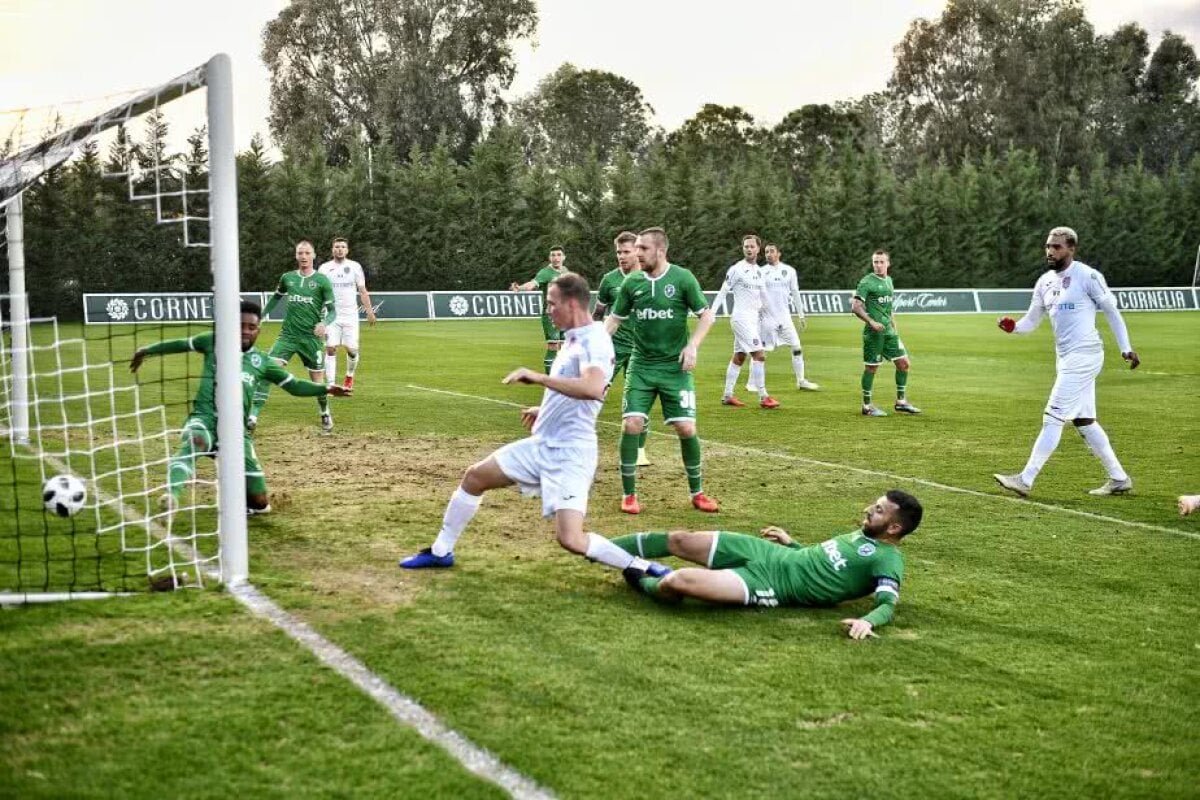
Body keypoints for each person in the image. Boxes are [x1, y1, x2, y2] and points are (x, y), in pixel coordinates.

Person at [399, 273, 655, 576]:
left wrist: (538, 377)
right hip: (542, 444)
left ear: (572, 303)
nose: (548, 310)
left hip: (571, 453)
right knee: (475, 477)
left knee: (571, 538)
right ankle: (441, 551)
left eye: (552, 303)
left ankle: (641, 566)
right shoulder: (574, 336)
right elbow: (577, 388)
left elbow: (593, 388)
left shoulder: (594, 340)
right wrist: (545, 408)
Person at [130, 300, 351, 513]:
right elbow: (179, 344)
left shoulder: (262, 362)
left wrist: (327, 389)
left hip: (237, 431)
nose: (245, 331)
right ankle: (172, 494)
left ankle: (235, 489)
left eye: (251, 327)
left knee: (259, 502)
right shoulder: (212, 342)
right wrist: (146, 351)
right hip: (205, 418)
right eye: (240, 326)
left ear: (258, 331)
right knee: (195, 442)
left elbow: (294, 386)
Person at [614, 490, 923, 640]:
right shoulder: (865, 532)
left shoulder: (887, 559)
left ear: (894, 528)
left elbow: (887, 602)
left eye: (878, 510)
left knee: (677, 582)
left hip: (773, 584)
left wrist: (868, 621)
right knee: (680, 539)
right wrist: (792, 544)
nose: (869, 510)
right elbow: (826, 561)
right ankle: (603, 548)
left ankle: (647, 575)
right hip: (769, 553)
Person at [994, 226, 1140, 497]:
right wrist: (1013, 327)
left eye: (1057, 247)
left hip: (1086, 355)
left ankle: (1025, 480)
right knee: (1084, 420)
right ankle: (1119, 478)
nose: (1050, 251)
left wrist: (1126, 348)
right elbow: (1031, 321)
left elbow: (1111, 311)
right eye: (1048, 246)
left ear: (1071, 249)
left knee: (1053, 416)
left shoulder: (1088, 276)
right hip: (1065, 359)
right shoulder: (1044, 282)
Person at [605, 227, 720, 515]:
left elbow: (707, 315)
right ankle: (629, 495)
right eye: (636, 248)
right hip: (641, 366)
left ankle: (698, 492)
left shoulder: (682, 278)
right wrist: (596, 349)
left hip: (675, 369)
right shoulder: (632, 283)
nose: (637, 254)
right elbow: (614, 320)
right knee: (631, 423)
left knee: (686, 428)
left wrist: (692, 345)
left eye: (643, 248)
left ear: (660, 250)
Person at [249, 240, 337, 432]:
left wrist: (324, 323)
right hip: (287, 337)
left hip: (311, 340)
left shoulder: (322, 281)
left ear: (313, 255)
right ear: (296, 256)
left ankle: (325, 413)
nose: (303, 257)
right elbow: (276, 298)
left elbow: (333, 312)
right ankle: (253, 418)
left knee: (317, 383)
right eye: (300, 253)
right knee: (267, 373)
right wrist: (260, 316)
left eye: (307, 253)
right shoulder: (287, 278)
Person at [593, 230, 651, 467]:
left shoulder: (650, 279)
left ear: (637, 252)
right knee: (595, 392)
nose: (622, 256)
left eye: (627, 252)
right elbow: (598, 313)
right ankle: (577, 440)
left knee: (640, 400)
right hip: (613, 347)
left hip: (643, 348)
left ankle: (639, 450)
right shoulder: (609, 280)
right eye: (619, 252)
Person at [712, 234, 779, 409]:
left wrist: (774, 316)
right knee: (759, 354)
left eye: (752, 246)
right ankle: (764, 396)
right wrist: (712, 313)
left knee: (740, 357)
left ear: (758, 249)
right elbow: (723, 291)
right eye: (746, 246)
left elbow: (764, 298)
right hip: (741, 318)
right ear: (743, 249)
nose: (748, 249)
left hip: (754, 320)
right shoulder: (737, 269)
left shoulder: (759, 272)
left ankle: (727, 395)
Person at [852, 250, 921, 417]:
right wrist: (871, 322)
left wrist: (895, 329)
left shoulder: (889, 281)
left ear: (888, 264)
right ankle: (867, 406)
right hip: (873, 333)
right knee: (871, 368)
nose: (878, 265)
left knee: (904, 363)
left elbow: (889, 309)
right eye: (875, 262)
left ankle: (901, 402)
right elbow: (855, 306)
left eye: (881, 262)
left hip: (889, 333)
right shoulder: (867, 282)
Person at [751, 242, 819, 391]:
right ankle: (752, 383)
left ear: (778, 253)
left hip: (785, 317)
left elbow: (795, 293)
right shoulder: (761, 272)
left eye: (771, 251)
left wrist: (801, 315)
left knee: (796, 347)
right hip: (767, 318)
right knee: (760, 350)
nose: (768, 254)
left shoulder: (789, 271)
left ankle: (801, 381)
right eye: (766, 252)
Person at [318, 237, 376, 390]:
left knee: (352, 350)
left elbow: (362, 290)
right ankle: (330, 384)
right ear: (332, 249)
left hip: (350, 315)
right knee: (330, 348)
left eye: (343, 247)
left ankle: (349, 375)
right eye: (337, 246)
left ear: (347, 250)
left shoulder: (355, 267)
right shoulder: (324, 268)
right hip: (331, 315)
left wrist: (369, 311)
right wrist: (318, 317)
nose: (340, 249)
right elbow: (319, 293)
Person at [510, 246, 567, 373]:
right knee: (553, 345)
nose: (556, 258)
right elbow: (533, 284)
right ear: (549, 258)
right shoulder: (545, 272)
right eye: (553, 255)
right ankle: (550, 382)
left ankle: (564, 378)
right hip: (551, 315)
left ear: (564, 257)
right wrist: (519, 288)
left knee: (565, 347)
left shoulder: (565, 271)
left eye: (558, 255)